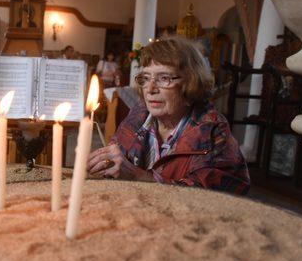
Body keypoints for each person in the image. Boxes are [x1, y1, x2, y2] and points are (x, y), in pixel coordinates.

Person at [87, 36, 249, 195]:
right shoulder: (139, 114)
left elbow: (217, 198)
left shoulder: (211, 128)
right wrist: (105, 164)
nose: (150, 89)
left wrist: (138, 176)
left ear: (191, 82)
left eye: (164, 78)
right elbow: (117, 162)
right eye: (146, 78)